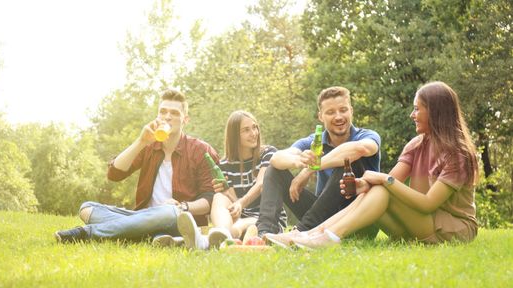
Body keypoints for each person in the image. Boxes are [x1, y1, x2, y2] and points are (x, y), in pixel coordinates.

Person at [290, 81, 479, 249]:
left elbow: (428, 204)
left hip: (453, 228)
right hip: (417, 225)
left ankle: (327, 236)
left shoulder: (458, 154)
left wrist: (383, 178)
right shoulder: (416, 145)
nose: (412, 115)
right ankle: (313, 233)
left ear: (435, 112)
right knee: (377, 190)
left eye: (417, 109)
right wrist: (365, 185)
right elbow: (390, 183)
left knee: (382, 187)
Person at [54, 88, 218, 248]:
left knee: (169, 212)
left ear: (185, 119)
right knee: (87, 208)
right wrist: (141, 142)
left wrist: (182, 207)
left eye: (174, 113)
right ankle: (155, 236)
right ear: (157, 116)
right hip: (143, 216)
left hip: (180, 219)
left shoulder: (201, 150)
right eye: (163, 112)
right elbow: (114, 174)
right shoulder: (149, 146)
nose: (167, 117)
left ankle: (88, 233)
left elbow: (210, 199)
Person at [258, 86, 381, 246]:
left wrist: (310, 169)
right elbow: (276, 158)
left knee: (349, 161)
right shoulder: (313, 141)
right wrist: (299, 161)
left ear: (351, 111)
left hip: (359, 219)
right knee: (274, 170)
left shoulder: (366, 135)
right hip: (323, 215)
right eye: (330, 112)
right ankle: (264, 235)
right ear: (321, 116)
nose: (338, 116)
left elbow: (360, 149)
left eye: (343, 110)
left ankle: (300, 232)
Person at [178, 110, 287, 249]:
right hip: (241, 218)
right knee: (218, 196)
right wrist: (226, 193)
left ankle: (205, 241)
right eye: (246, 130)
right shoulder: (224, 165)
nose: (253, 133)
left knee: (239, 224)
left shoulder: (268, 153)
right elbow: (234, 203)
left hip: (268, 219)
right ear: (235, 136)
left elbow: (261, 184)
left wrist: (240, 203)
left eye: (255, 127)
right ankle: (221, 235)